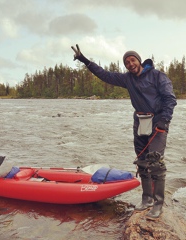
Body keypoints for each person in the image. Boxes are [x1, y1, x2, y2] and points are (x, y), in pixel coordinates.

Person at [71, 44, 177, 219]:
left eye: (132, 60)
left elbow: (169, 99)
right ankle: (147, 198)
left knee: (156, 163)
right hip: (140, 122)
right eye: (126, 62)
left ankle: (158, 204)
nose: (130, 64)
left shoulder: (158, 76)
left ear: (139, 60)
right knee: (142, 161)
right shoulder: (127, 79)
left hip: (158, 122)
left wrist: (164, 121)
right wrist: (84, 60)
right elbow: (104, 74)